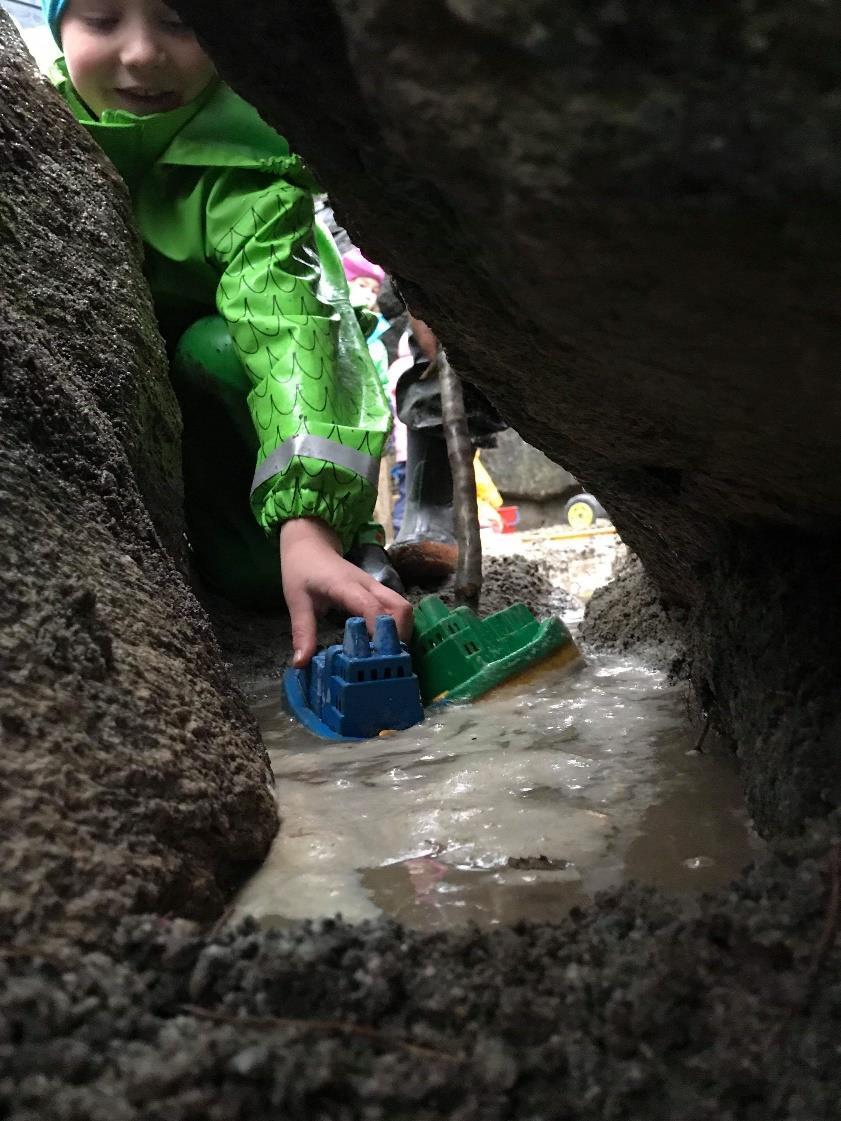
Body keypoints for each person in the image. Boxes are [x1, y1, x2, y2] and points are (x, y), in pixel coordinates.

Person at [38, 0, 411, 666]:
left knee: (258, 573)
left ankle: (343, 539)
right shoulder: (35, 141)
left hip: (249, 417)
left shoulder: (247, 169)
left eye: (181, 23)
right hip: (144, 432)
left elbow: (289, 329)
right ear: (56, 27)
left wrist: (308, 529)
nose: (144, 53)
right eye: (101, 18)